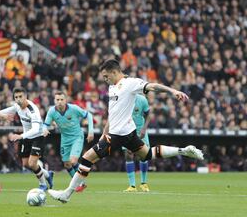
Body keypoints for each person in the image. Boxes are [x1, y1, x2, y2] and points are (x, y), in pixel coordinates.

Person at [48, 59, 204, 203]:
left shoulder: (130, 83)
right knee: (148, 154)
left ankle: (66, 194)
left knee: (87, 159)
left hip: (118, 135)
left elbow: (152, 86)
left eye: (106, 76)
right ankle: (184, 150)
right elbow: (113, 112)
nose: (105, 79)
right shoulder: (112, 87)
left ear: (115, 72)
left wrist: (172, 91)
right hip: (125, 133)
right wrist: (104, 131)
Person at [0, 87, 54, 191]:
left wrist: (20, 136)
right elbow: (2, 111)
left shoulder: (32, 110)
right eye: (16, 97)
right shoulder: (17, 106)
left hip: (38, 136)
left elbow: (36, 129)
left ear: (26, 97)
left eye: (21, 96)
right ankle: (47, 174)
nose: (19, 99)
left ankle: (43, 185)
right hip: (26, 137)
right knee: (26, 164)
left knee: (32, 163)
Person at [43, 91, 94, 192]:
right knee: (67, 164)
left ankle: (82, 176)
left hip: (77, 137)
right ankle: (80, 184)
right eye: (57, 100)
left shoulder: (74, 108)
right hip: (65, 139)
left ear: (65, 100)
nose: (60, 102)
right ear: (54, 101)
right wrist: (44, 128)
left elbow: (89, 115)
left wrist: (91, 131)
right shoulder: (52, 111)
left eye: (62, 99)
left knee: (73, 161)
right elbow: (45, 124)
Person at [124, 94, 150, 192]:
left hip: (140, 130)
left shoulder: (142, 100)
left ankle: (144, 183)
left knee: (143, 155)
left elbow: (148, 114)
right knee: (128, 154)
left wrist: (144, 128)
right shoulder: (123, 98)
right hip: (127, 130)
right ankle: (132, 186)